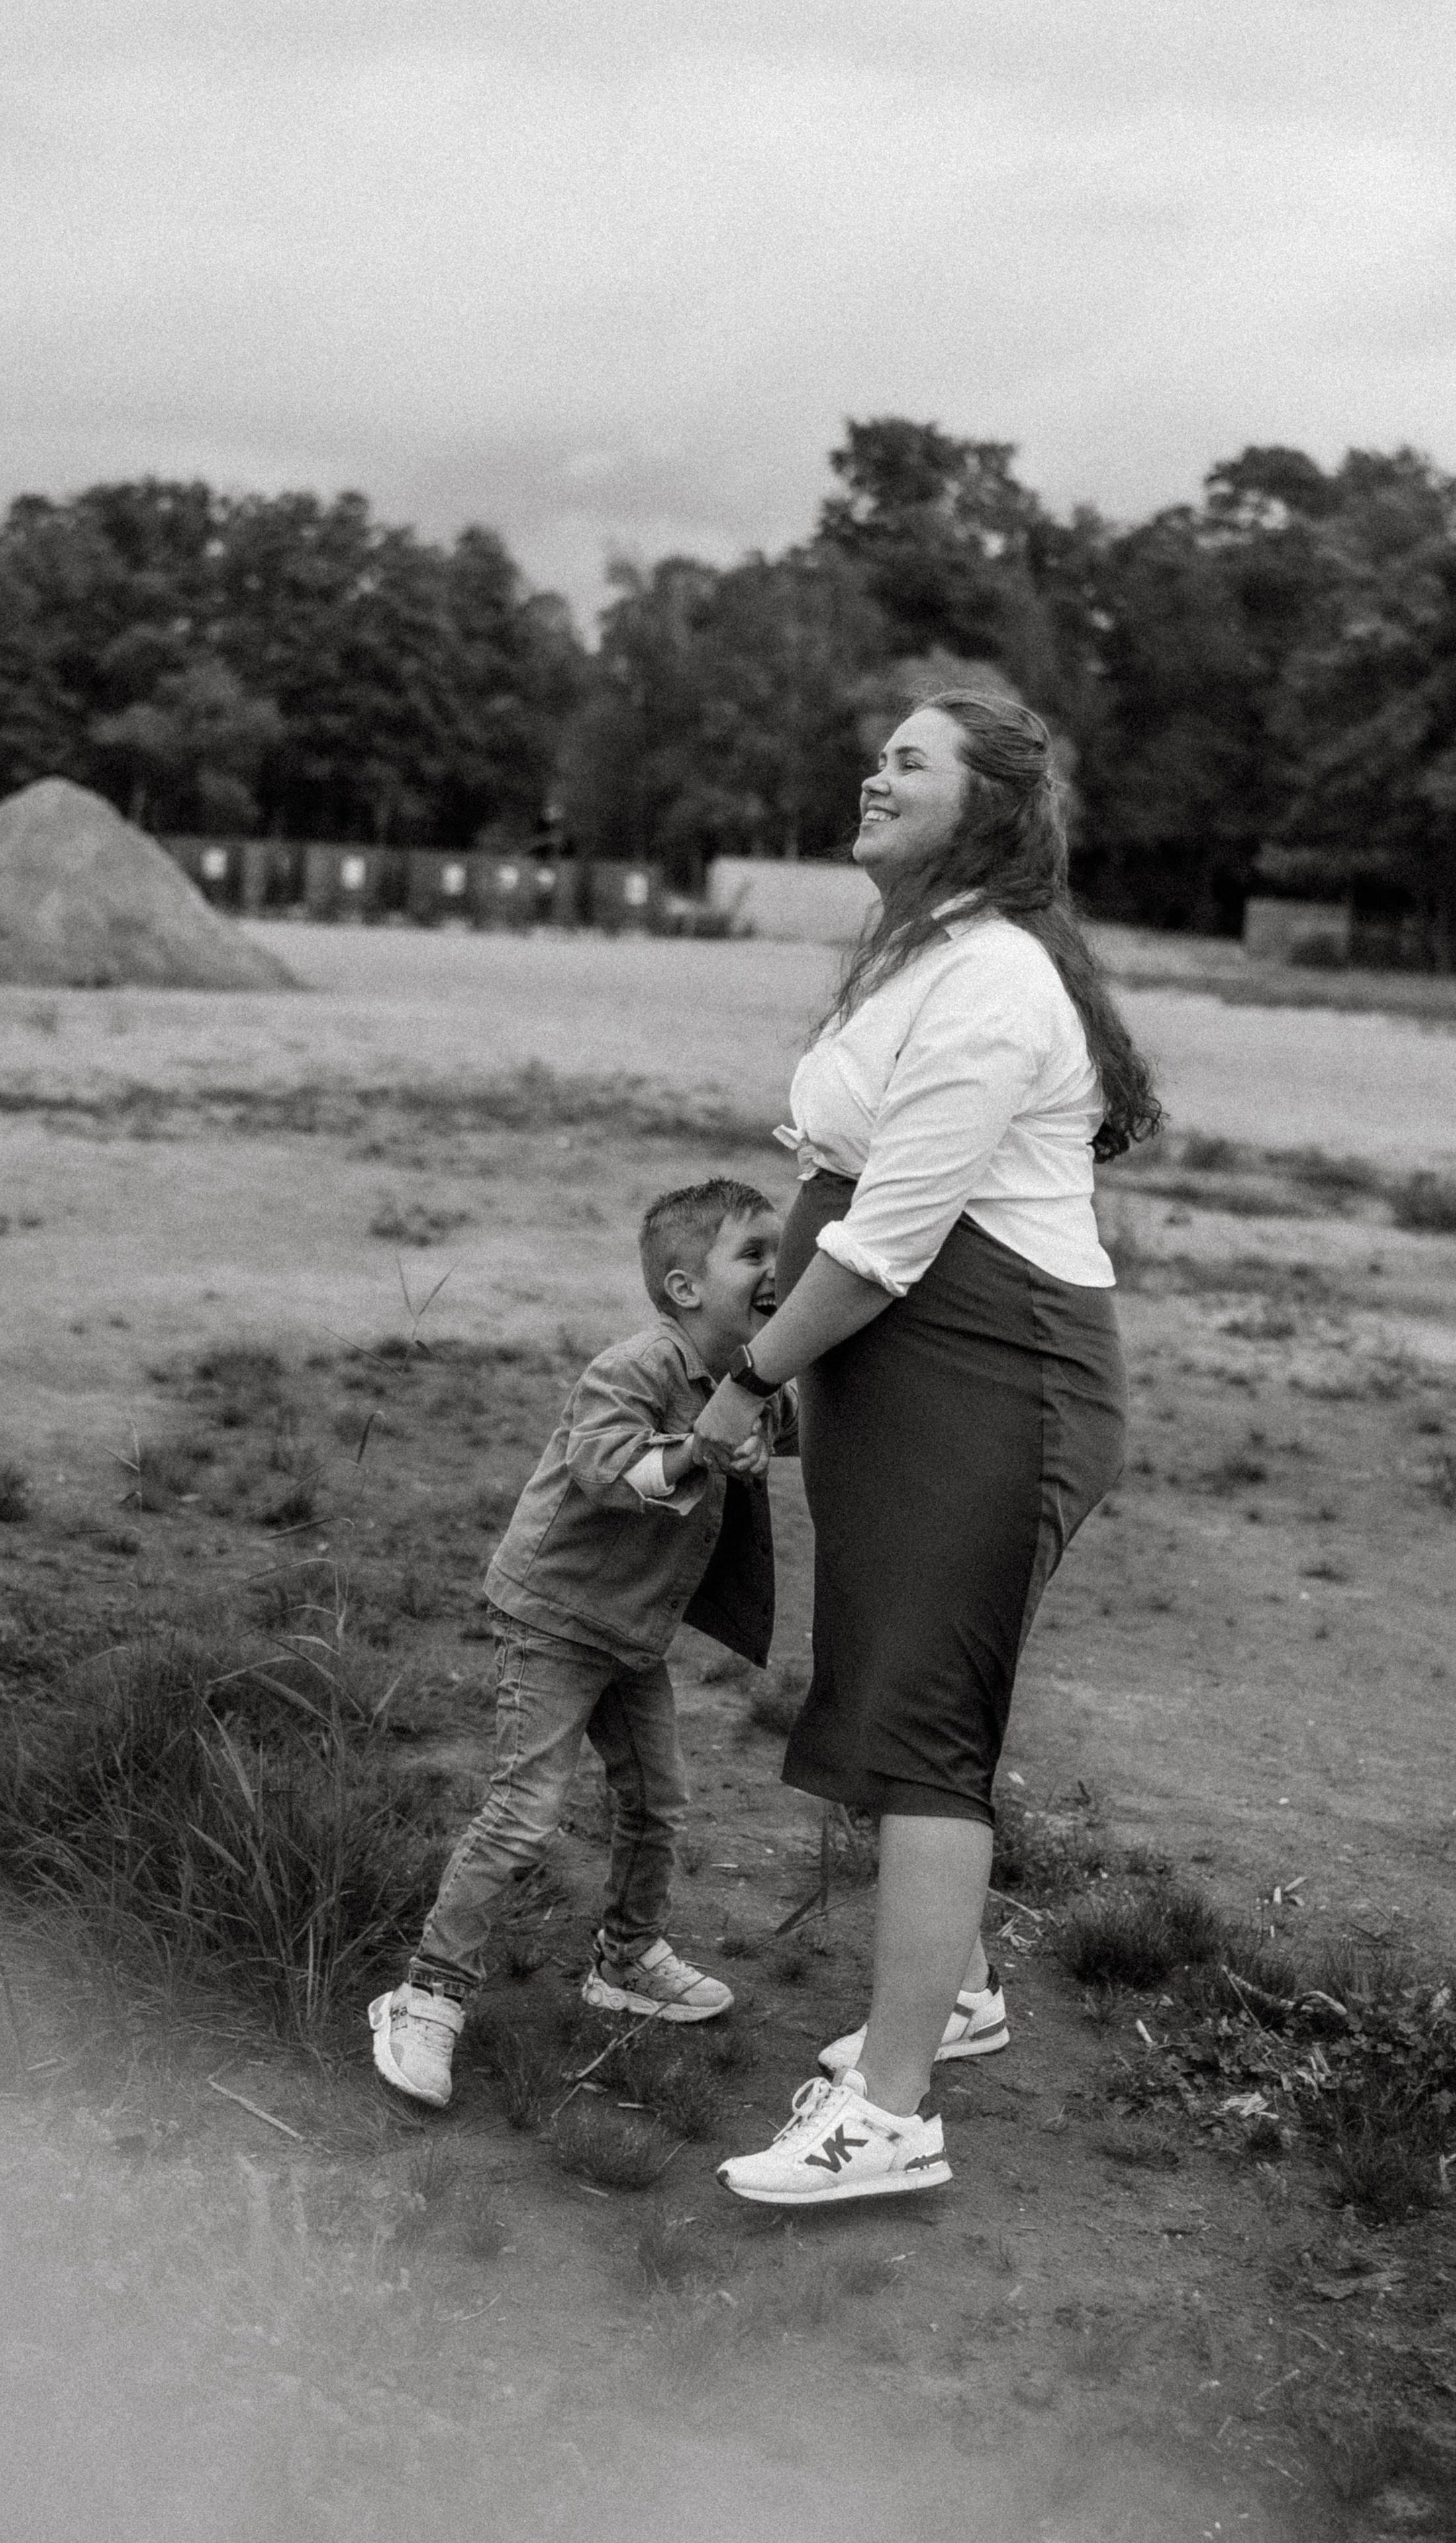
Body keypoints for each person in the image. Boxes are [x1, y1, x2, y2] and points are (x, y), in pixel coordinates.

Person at [693, 689, 1160, 2207]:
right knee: (891, 1680)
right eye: (877, 754)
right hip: (908, 1376)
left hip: (989, 1376)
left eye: (911, 761)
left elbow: (890, 1238)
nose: (874, 774)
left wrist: (741, 1379)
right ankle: (950, 2000)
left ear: (988, 806)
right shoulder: (924, 955)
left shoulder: (996, 983)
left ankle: (891, 2118)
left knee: (926, 1727)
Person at [369, 1178, 797, 2110]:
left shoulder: (755, 1372)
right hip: (559, 1618)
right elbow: (611, 1470)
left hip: (632, 1631)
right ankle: (427, 1993)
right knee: (525, 1811)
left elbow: (794, 1428)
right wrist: (705, 1446)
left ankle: (627, 1957)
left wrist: (762, 1426)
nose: (778, 1267)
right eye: (754, 1254)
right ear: (685, 1288)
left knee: (658, 1802)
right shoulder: (636, 1368)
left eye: (783, 1247)